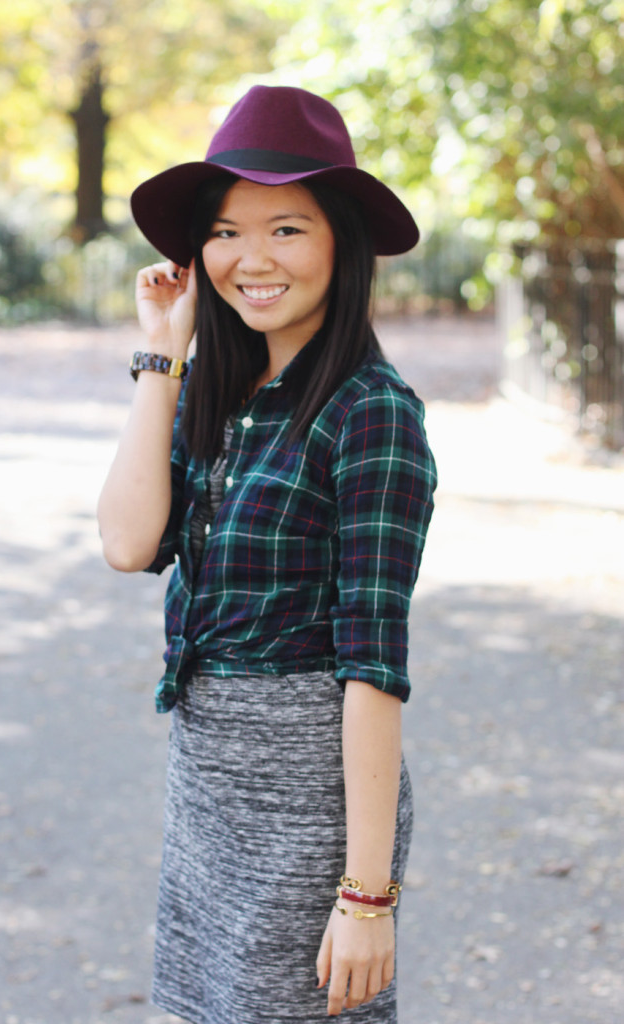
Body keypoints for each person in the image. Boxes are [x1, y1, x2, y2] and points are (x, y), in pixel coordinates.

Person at [97, 85, 436, 1023]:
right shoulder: (221, 387)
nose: (250, 258)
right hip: (207, 778)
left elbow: (372, 663)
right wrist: (162, 359)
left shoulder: (371, 412)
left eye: (285, 228)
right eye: (224, 231)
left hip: (309, 799)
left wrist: (366, 893)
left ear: (342, 244)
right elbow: (129, 543)